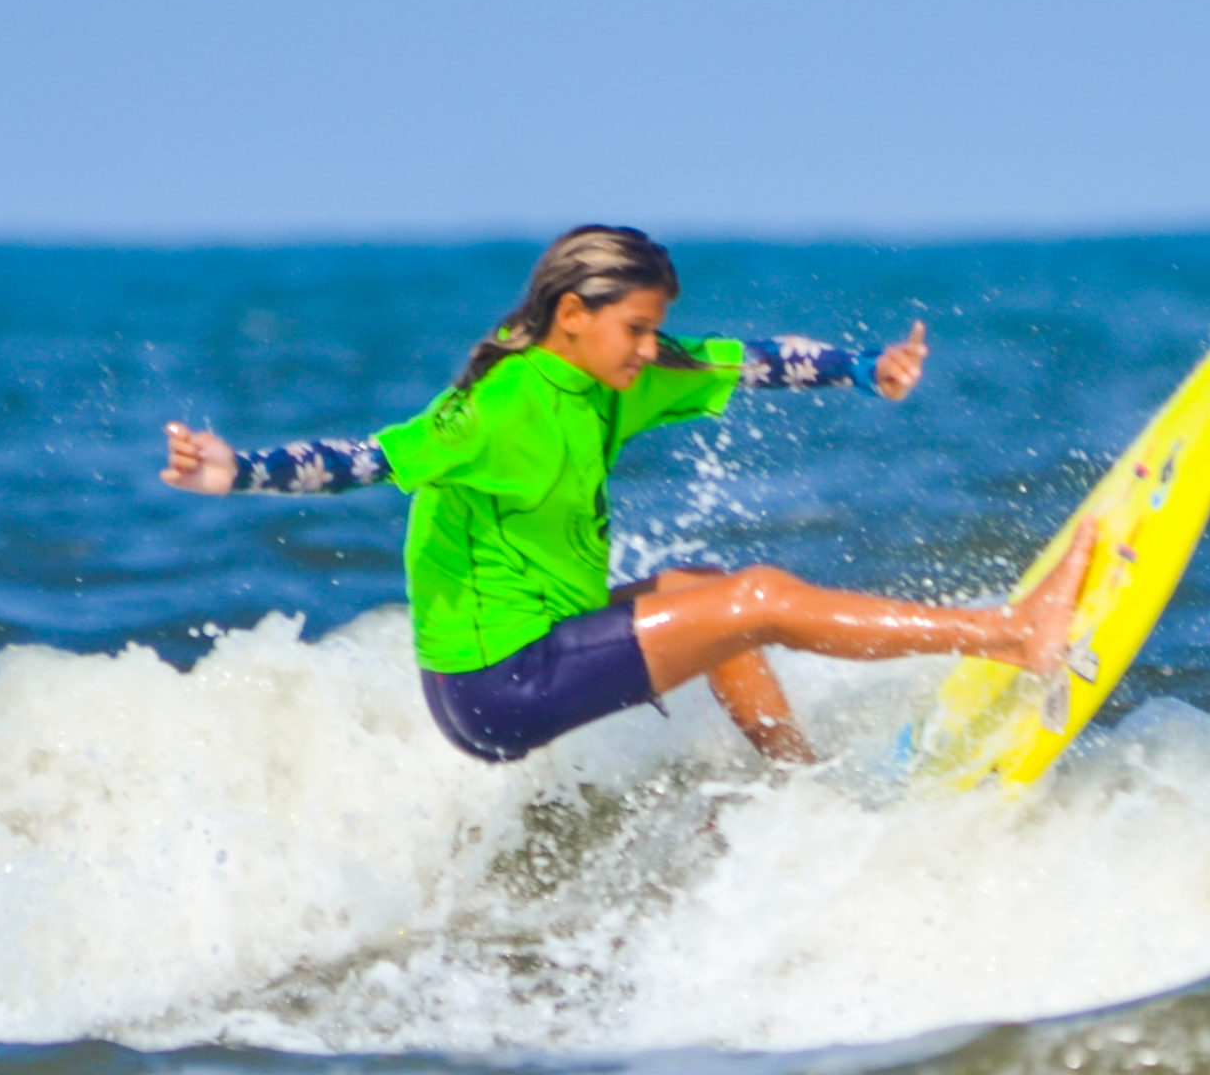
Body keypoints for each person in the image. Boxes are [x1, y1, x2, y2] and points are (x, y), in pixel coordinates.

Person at [162, 225, 1092, 765]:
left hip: (543, 639)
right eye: (638, 329)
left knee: (700, 585)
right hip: (497, 688)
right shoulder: (497, 408)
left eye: (657, 330)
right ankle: (1017, 635)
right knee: (756, 600)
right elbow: (362, 457)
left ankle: (793, 786)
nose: (652, 350)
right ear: (574, 317)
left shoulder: (616, 372)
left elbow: (752, 360)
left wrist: (864, 368)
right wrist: (233, 469)